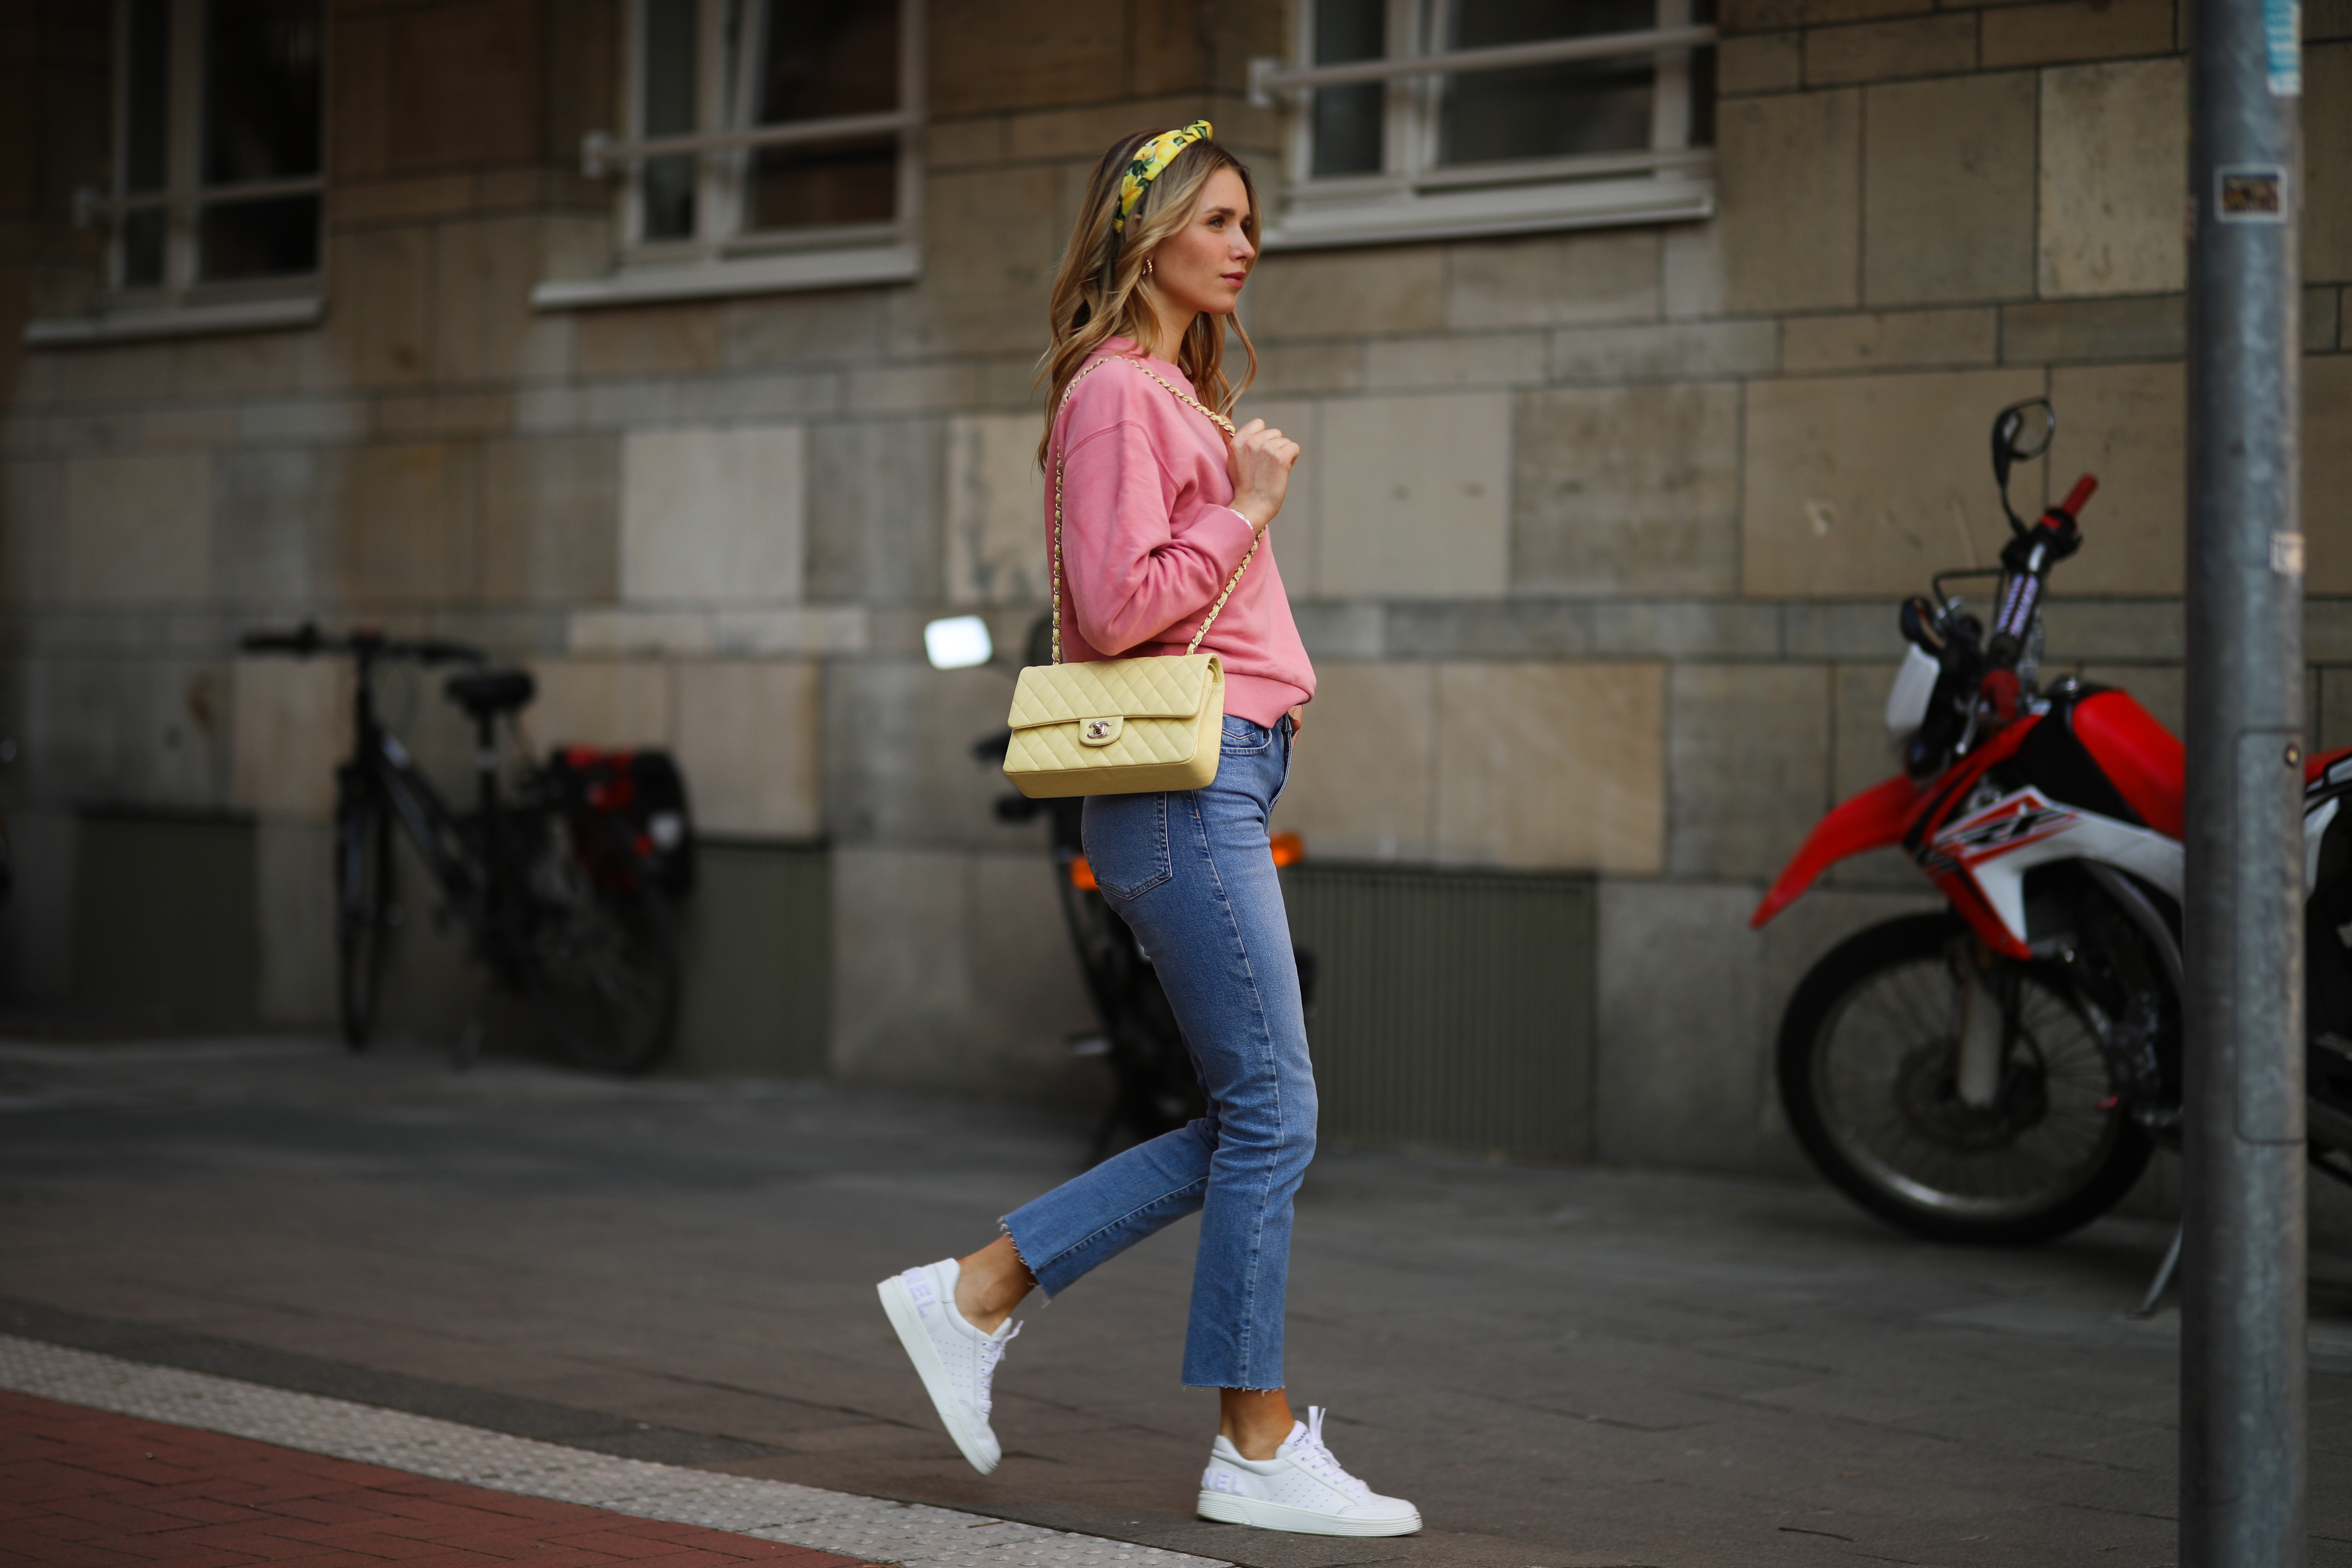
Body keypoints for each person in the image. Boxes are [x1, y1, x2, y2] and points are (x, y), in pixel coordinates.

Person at [874, 123, 1420, 1539]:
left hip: (1218, 777)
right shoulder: (1122, 394)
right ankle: (1248, 1440)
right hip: (1185, 781)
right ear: (1147, 230)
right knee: (1274, 1112)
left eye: (1254, 222)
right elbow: (1120, 611)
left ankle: (981, 1292)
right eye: (1222, 217)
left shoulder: (1163, 391)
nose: (1248, 242)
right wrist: (1246, 508)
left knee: (1261, 1113)